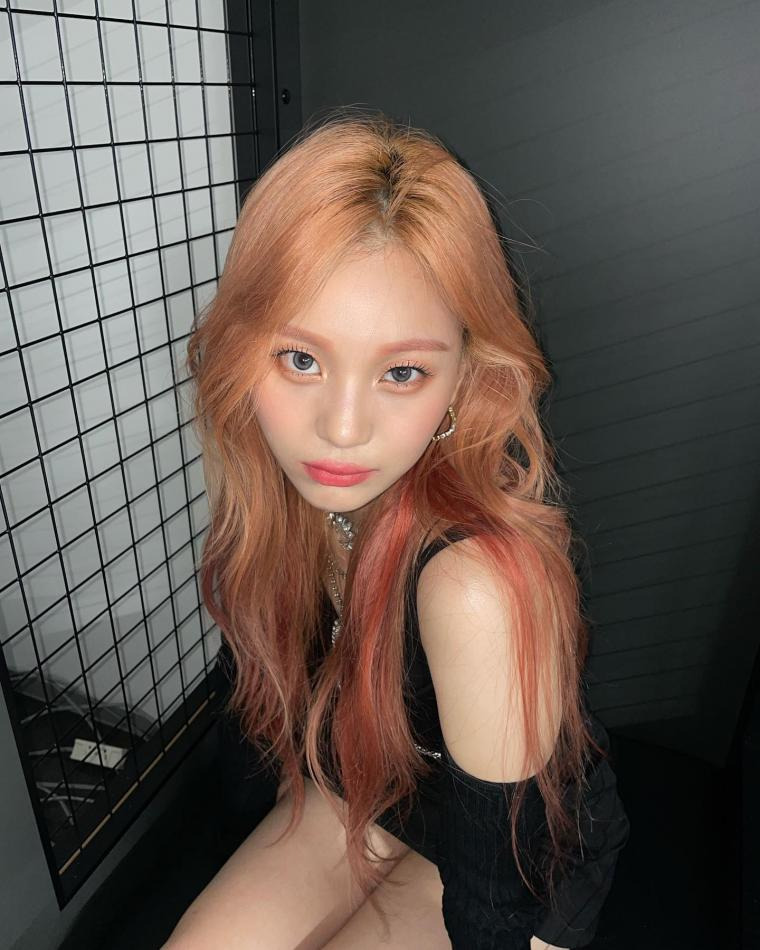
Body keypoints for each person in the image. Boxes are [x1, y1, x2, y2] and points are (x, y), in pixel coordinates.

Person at [164, 110, 630, 949]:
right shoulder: (280, 504)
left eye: (403, 371)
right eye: (301, 359)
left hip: (520, 869)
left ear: (462, 379)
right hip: (374, 790)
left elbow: (496, 905)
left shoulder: (474, 587)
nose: (341, 430)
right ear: (242, 352)